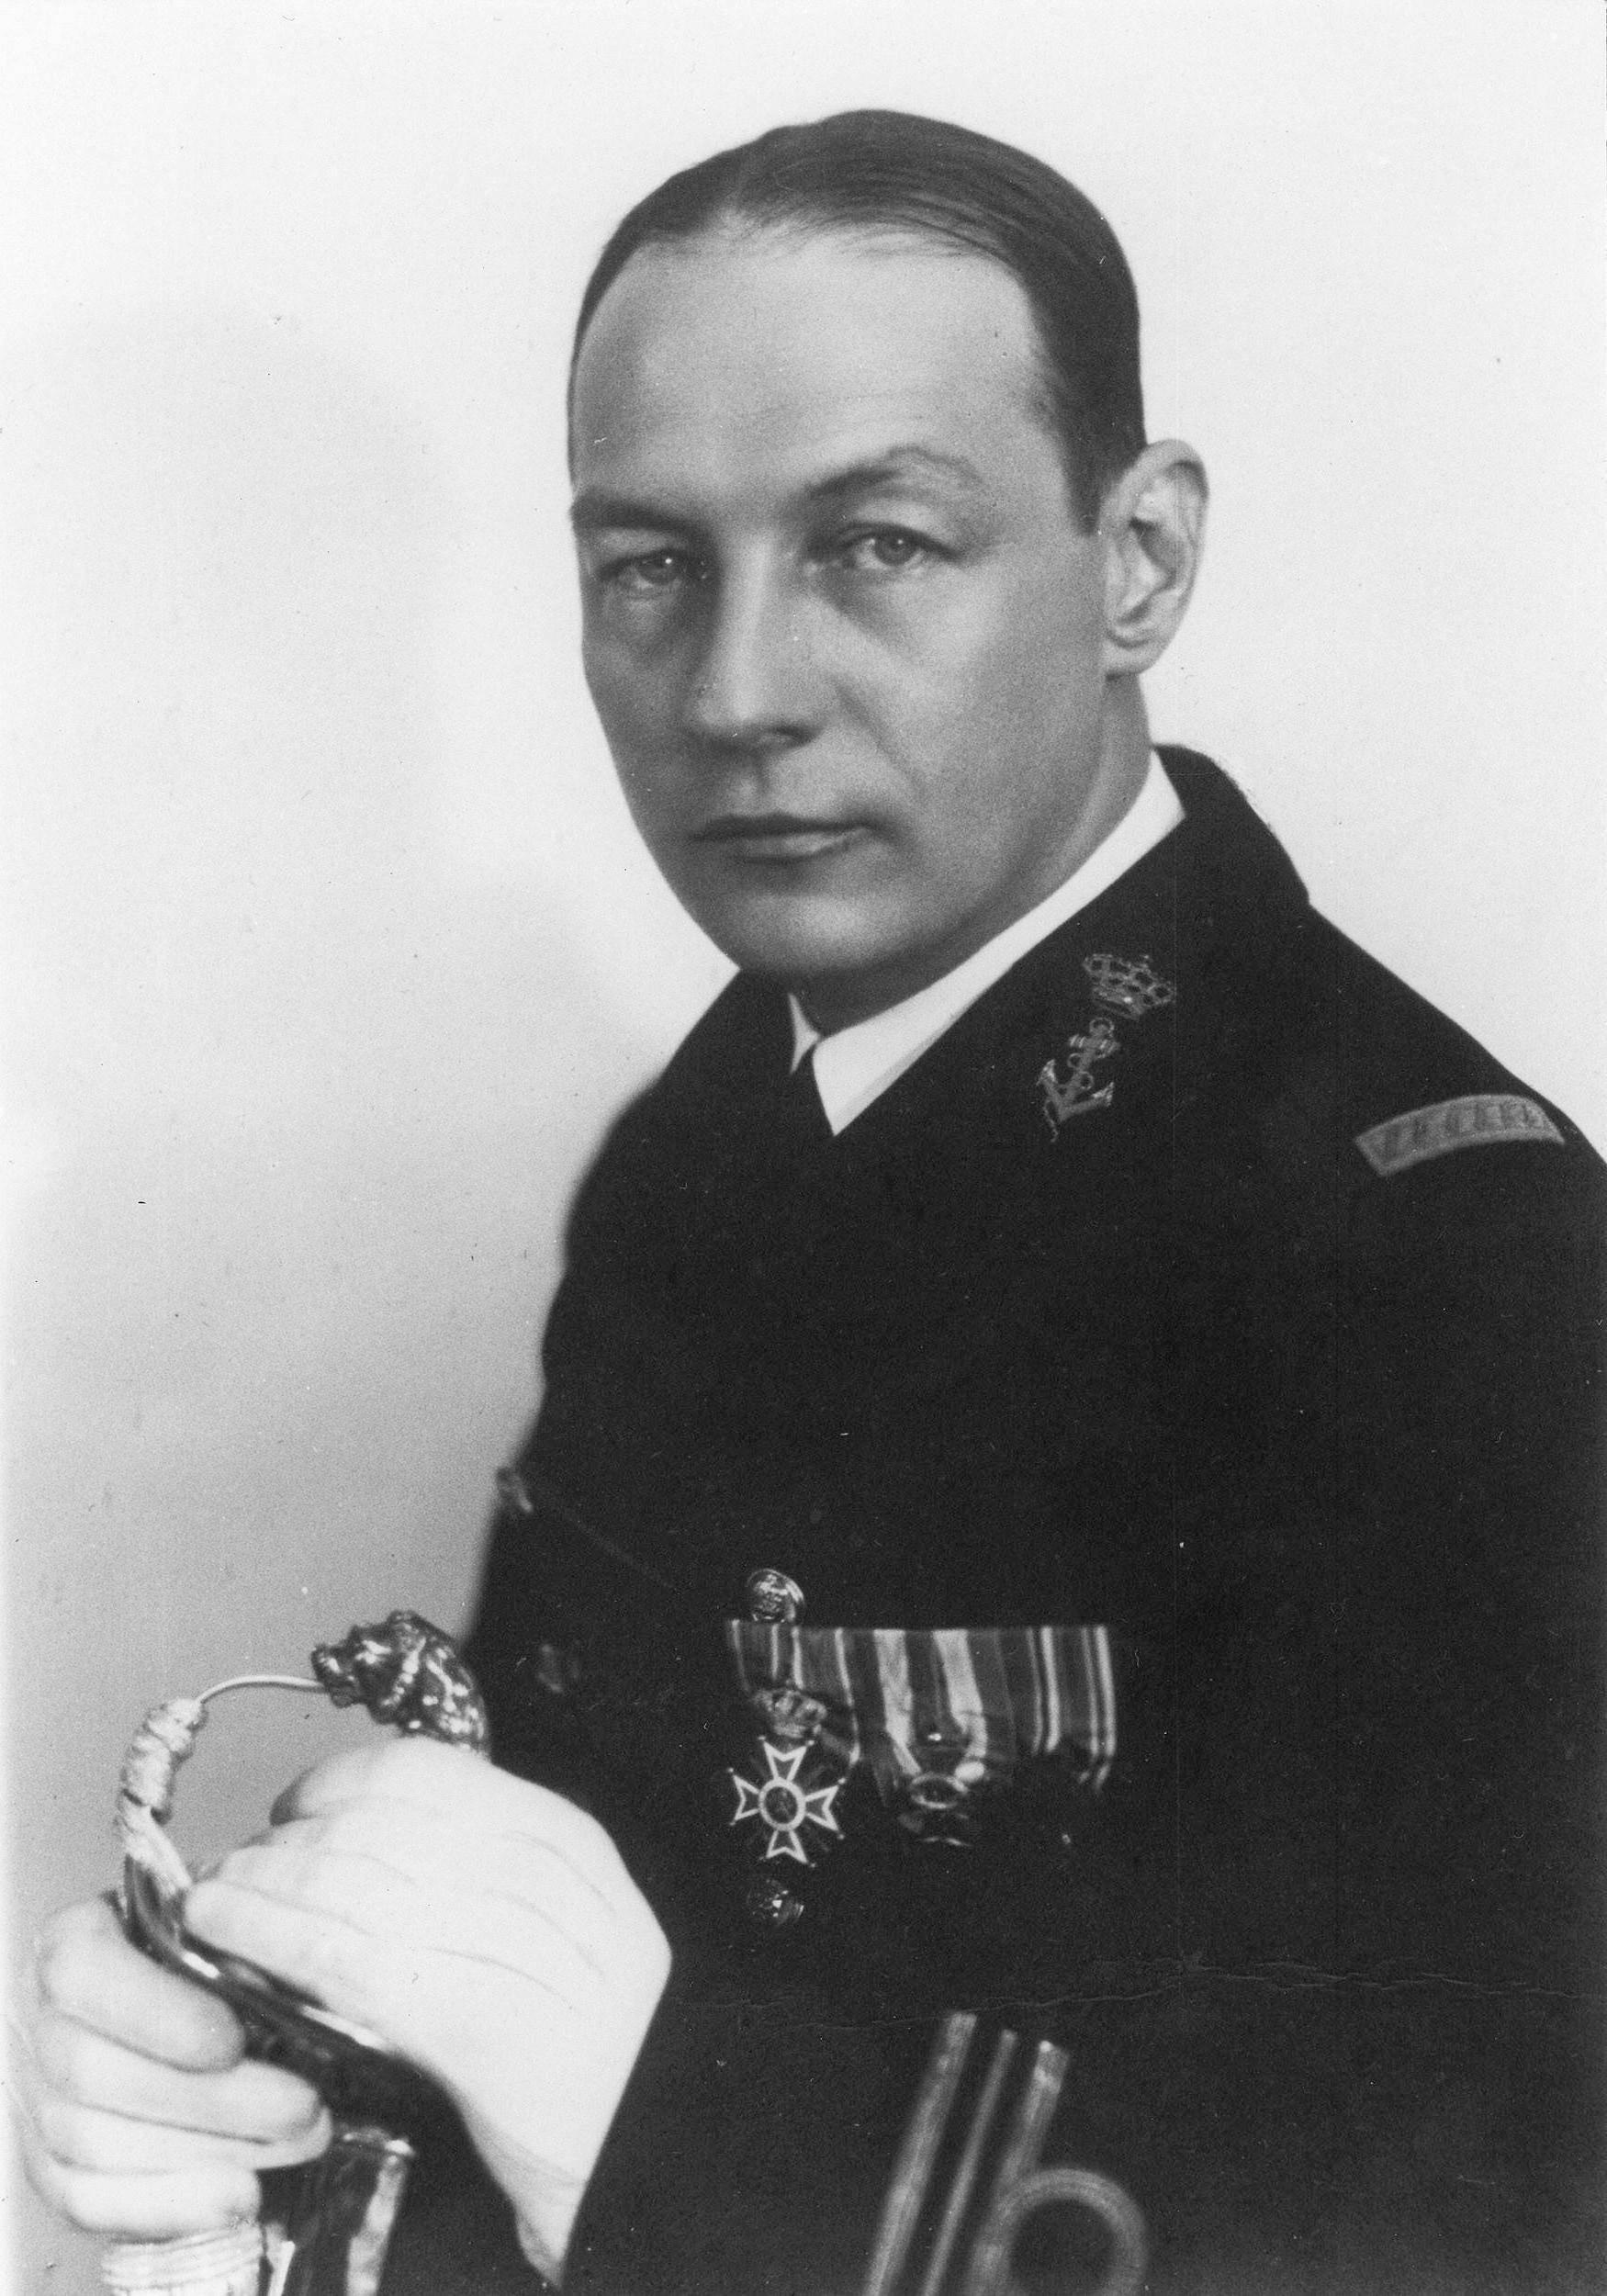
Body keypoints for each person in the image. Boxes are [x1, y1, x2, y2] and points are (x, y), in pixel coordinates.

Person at [21, 111, 1603, 2295]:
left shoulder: (1433, 1250)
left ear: (1138, 560)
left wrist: (655, 2119)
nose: (735, 692)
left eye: (873, 543)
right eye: (648, 564)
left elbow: (1502, 2210)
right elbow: (562, 1905)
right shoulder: (701, 1147)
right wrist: (278, 2123)